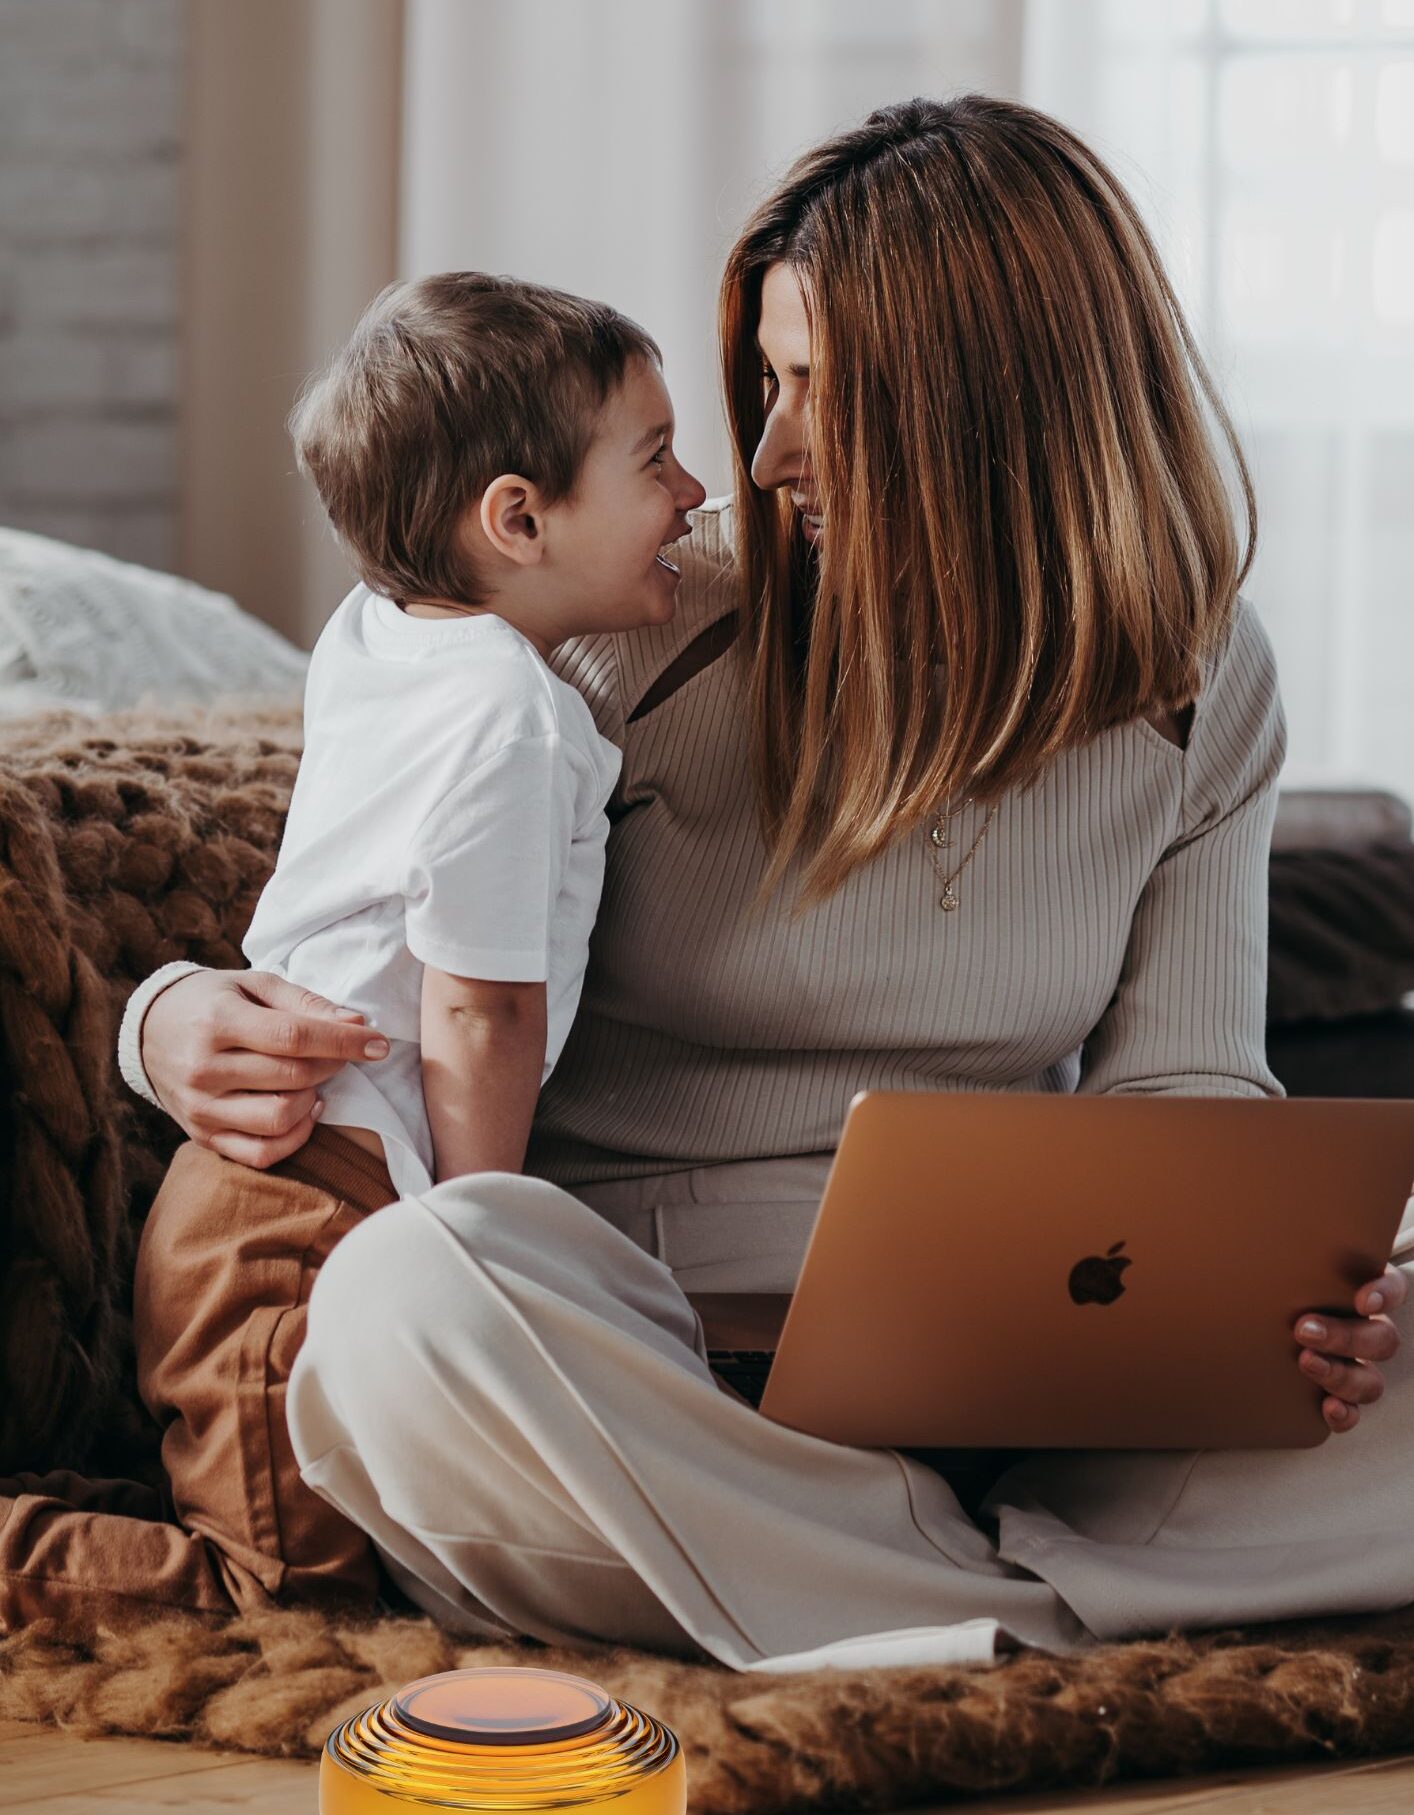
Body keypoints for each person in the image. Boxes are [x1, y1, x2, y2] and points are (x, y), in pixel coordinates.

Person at [10, 95, 1408, 1665]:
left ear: (1004, 406)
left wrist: (1288, 1302)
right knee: (416, 1296)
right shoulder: (627, 616)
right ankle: (1046, 1610)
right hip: (632, 1347)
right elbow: (363, 889)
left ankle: (901, 1606)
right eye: (765, 383)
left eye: (822, 388)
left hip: (1016, 1358)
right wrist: (171, 1017)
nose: (769, 447)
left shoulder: (1198, 674)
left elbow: (1187, 1085)